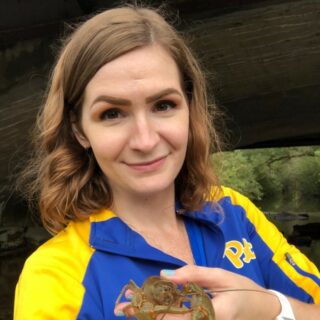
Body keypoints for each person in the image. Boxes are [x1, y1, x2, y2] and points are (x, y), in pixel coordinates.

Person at [14, 4, 319, 320]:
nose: (145, 141)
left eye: (163, 105)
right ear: (79, 130)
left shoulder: (234, 213)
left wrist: (268, 307)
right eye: (112, 114)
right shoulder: (53, 276)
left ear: (189, 107)